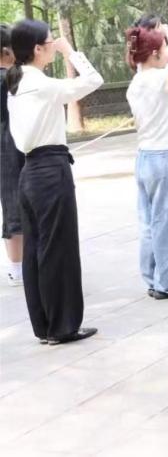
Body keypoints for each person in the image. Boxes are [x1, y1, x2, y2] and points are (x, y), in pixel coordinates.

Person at [7, 20, 103, 344]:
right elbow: (94, 80)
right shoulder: (41, 84)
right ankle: (63, 325)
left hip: (30, 172)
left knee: (36, 250)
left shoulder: (17, 83)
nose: (53, 44)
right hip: (50, 170)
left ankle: (46, 326)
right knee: (58, 249)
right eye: (50, 41)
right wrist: (70, 52)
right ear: (37, 48)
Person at [124, 23, 168, 300]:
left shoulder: (138, 81)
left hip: (146, 156)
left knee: (149, 223)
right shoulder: (156, 78)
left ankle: (154, 276)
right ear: (154, 53)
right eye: (164, 49)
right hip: (165, 157)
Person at [1, 24, 25, 286]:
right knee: (14, 207)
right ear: (7, 50)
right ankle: (17, 269)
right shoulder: (8, 79)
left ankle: (16, 268)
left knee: (10, 206)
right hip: (9, 147)